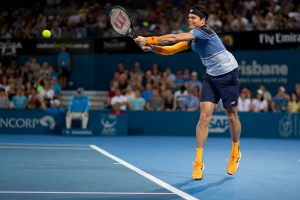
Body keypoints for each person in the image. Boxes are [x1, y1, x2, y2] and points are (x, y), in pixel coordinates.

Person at [134, 4, 242, 180]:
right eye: (189, 17)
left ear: (203, 21)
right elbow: (171, 49)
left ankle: (235, 151)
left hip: (229, 74)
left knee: (231, 116)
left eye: (194, 18)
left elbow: (173, 38)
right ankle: (198, 163)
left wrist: (149, 39)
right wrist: (151, 47)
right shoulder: (192, 38)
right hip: (211, 77)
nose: (190, 20)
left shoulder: (204, 31)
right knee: (204, 118)